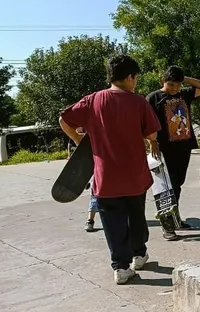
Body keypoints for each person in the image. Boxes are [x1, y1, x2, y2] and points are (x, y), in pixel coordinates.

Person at [59, 54, 161, 284]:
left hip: (106, 178)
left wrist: (78, 140)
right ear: (130, 77)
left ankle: (121, 268)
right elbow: (152, 134)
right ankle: (139, 254)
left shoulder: (92, 100)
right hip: (135, 176)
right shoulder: (139, 102)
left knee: (112, 224)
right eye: (135, 78)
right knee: (136, 218)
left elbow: (64, 119)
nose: (136, 83)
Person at [146, 66, 200, 236]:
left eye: (177, 85)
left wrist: (184, 78)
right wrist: (152, 142)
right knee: (166, 186)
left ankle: (175, 219)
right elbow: (145, 122)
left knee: (178, 183)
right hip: (163, 148)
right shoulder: (153, 98)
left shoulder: (184, 94)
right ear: (163, 81)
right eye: (171, 84)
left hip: (184, 145)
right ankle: (167, 225)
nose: (174, 88)